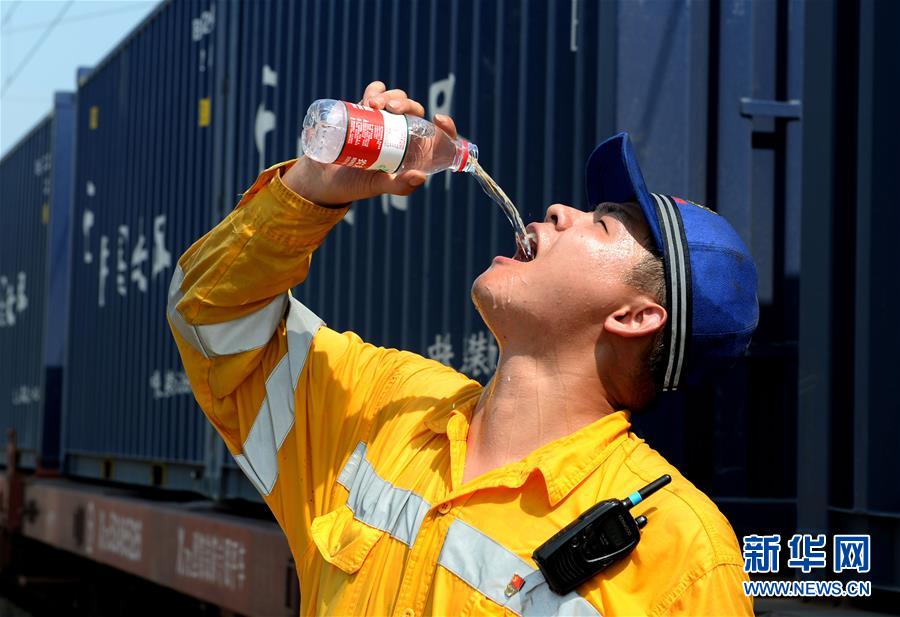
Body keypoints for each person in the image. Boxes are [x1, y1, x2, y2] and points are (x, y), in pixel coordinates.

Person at [167, 82, 757, 615]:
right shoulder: (387, 406)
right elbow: (211, 316)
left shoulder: (682, 555)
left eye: (603, 223)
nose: (559, 211)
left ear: (635, 317)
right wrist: (312, 191)